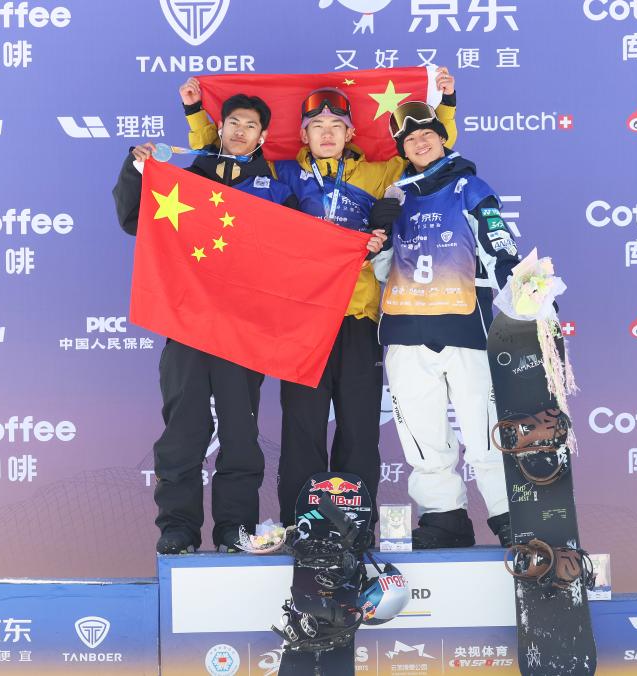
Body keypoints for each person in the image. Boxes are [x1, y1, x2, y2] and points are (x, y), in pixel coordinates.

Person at [182, 70, 458, 526]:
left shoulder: (378, 173)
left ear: (350, 134)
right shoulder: (283, 173)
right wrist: (196, 113)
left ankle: (355, 527)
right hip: (302, 321)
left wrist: (444, 102)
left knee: (359, 427)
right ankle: (301, 525)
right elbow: (225, 154)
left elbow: (427, 153)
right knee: (302, 428)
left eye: (336, 127)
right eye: (317, 127)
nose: (327, 134)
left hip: (359, 318)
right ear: (303, 136)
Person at [112, 92, 298, 554]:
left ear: (262, 135)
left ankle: (235, 527)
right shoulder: (187, 182)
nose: (240, 131)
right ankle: (177, 527)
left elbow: (303, 253)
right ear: (220, 127)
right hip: (188, 325)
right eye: (233, 122)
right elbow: (133, 218)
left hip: (245, 332)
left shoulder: (277, 191)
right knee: (183, 430)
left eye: (250, 125)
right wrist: (136, 169)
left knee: (240, 434)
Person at [369, 100, 522, 548]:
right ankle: (444, 516)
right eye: (411, 139)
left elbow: (498, 244)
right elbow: (384, 270)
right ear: (402, 149)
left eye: (428, 135)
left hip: (464, 327)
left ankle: (510, 515)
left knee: (483, 428)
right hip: (406, 330)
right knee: (421, 432)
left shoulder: (468, 187)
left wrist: (523, 294)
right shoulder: (396, 197)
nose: (420, 142)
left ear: (442, 138)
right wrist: (379, 242)